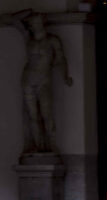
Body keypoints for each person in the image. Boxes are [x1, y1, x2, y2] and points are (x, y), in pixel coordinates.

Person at [14, 10, 71, 156]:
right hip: (28, 80)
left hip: (44, 80)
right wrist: (28, 11)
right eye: (33, 23)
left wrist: (65, 75)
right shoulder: (29, 39)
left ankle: (51, 145)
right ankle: (38, 146)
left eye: (37, 22)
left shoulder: (52, 40)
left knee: (47, 114)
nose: (35, 25)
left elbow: (61, 59)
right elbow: (13, 20)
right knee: (33, 116)